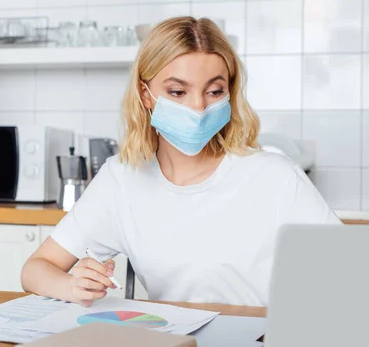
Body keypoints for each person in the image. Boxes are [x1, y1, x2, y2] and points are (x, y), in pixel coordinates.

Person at [21, 17, 341, 308]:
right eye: (177, 92)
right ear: (146, 96)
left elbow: (351, 273)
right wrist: (73, 285)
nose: (198, 107)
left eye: (215, 91)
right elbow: (35, 270)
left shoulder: (275, 177)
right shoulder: (121, 179)